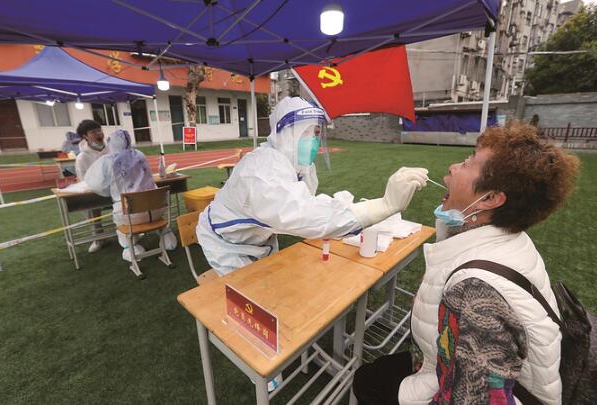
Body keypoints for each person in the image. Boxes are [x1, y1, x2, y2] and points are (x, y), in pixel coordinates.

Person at [352, 123, 580, 405]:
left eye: (467, 162)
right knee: (375, 373)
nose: (452, 167)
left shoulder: (477, 291)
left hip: (447, 385)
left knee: (367, 381)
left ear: (491, 198)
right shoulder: (508, 238)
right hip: (438, 366)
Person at [196, 97, 429, 276]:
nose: (315, 140)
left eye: (317, 133)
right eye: (307, 132)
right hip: (227, 244)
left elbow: (307, 204)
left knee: (270, 289)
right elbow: (301, 215)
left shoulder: (300, 166)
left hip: (259, 239)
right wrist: (383, 205)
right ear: (286, 133)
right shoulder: (260, 172)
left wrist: (342, 207)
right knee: (248, 305)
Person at [84, 130, 177, 262]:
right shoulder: (139, 155)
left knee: (121, 220)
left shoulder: (107, 160)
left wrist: (111, 190)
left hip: (130, 215)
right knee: (145, 214)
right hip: (157, 210)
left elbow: (97, 185)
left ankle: (131, 248)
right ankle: (167, 237)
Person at [75, 120, 109, 253]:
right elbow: (83, 180)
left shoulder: (112, 149)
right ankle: (98, 238)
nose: (98, 134)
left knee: (130, 197)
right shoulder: (82, 157)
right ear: (85, 136)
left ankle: (130, 231)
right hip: (95, 193)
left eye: (99, 130)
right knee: (90, 206)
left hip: (115, 189)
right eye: (93, 132)